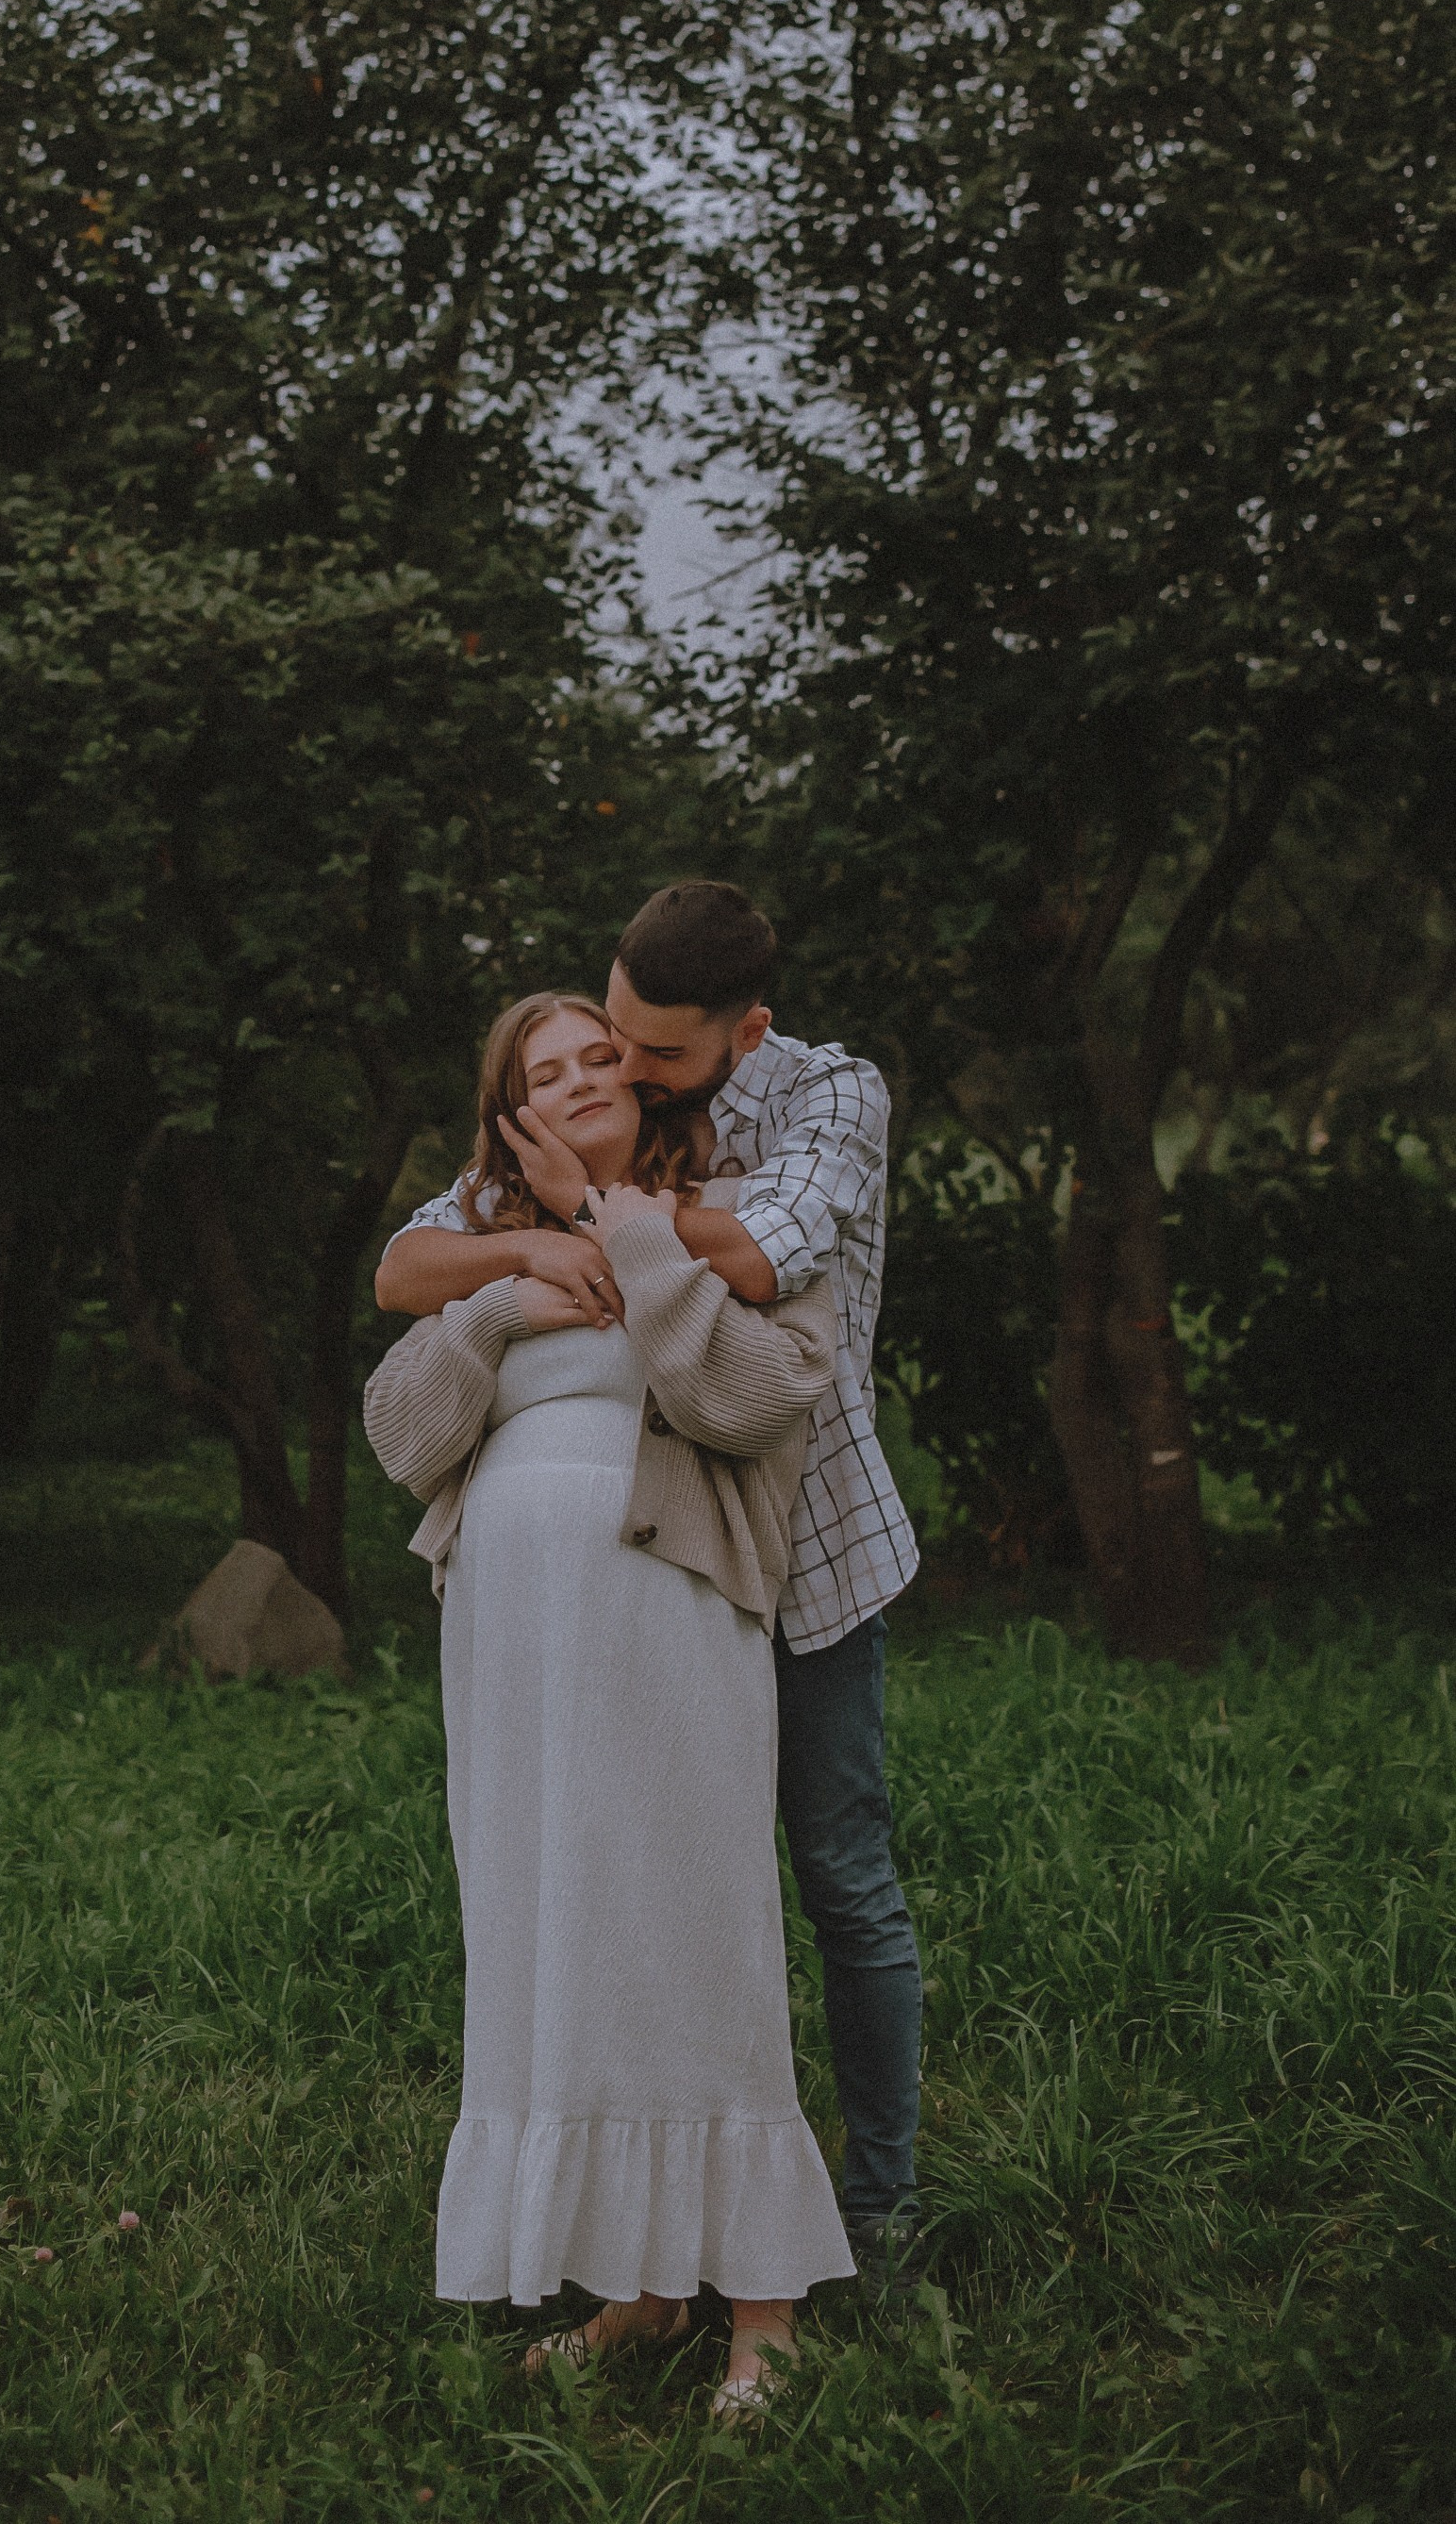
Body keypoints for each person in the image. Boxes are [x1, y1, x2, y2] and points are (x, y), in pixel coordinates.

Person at [376, 882, 923, 2277]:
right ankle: (629, 2225)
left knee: (835, 1870)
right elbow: (405, 1268)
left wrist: (609, 1215)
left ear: (743, 1032)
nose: (611, 1066)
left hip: (805, 1531)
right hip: (591, 1602)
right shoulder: (564, 1135)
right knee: (628, 1888)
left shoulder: (822, 1101)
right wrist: (524, 1246)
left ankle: (877, 2196)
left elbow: (751, 1259)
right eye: (592, 1039)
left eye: (638, 1054)